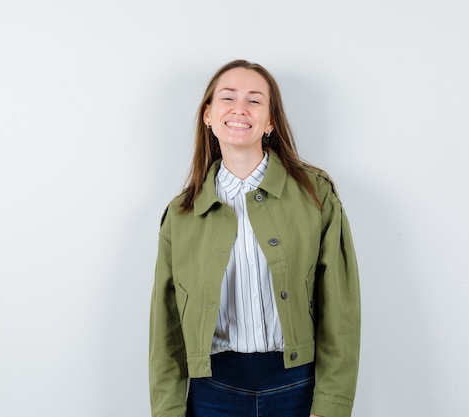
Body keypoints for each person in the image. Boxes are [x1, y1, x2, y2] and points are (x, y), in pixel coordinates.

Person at [149, 59, 360, 417]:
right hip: (213, 392)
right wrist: (168, 410)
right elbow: (164, 327)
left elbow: (340, 310)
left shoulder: (316, 196)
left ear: (270, 121)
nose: (240, 109)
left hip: (297, 389)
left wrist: (331, 406)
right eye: (228, 98)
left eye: (255, 100)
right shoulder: (182, 214)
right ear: (208, 116)